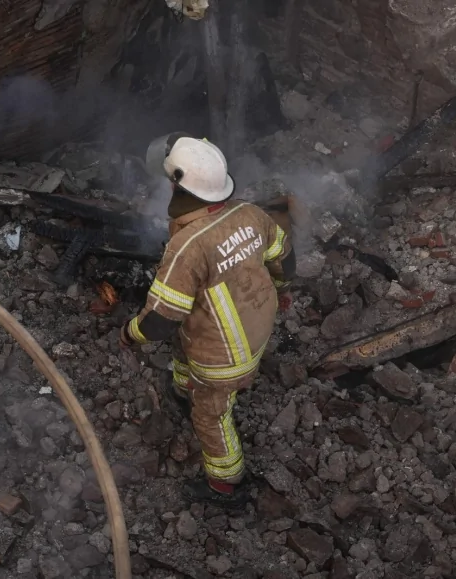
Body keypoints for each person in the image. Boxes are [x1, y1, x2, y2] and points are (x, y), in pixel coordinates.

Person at [120, 134, 295, 508]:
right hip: (258, 330)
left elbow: (161, 323)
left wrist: (129, 333)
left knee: (212, 416)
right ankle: (184, 389)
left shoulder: (188, 248)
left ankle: (227, 484)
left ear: (177, 186)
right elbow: (285, 259)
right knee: (191, 336)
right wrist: (279, 288)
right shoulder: (251, 213)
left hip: (224, 361)